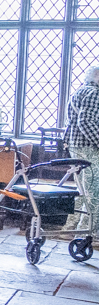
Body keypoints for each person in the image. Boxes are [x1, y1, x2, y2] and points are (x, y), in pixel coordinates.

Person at [66, 65, 99, 234]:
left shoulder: (80, 90)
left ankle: (70, 228)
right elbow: (85, 121)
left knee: (82, 191)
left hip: (76, 145)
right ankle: (88, 232)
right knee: (94, 191)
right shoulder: (94, 93)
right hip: (88, 148)